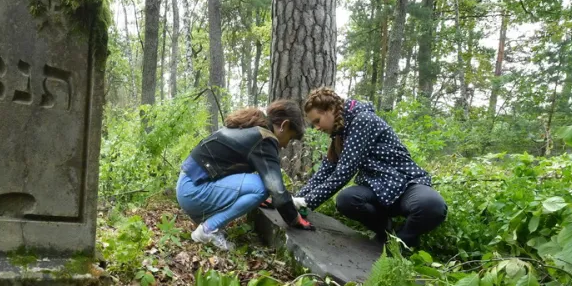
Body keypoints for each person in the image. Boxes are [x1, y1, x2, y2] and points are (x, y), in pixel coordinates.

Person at [294, 88, 447, 248]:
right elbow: (325, 171)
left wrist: (307, 202)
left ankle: (400, 243)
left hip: (406, 184)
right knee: (347, 199)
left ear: (330, 110)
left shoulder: (363, 120)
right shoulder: (341, 133)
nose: (317, 127)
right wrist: (296, 201)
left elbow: (344, 172)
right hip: (377, 189)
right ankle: (386, 232)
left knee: (432, 206)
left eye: (317, 121)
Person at [176, 100, 306, 250]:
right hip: (194, 192)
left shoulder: (250, 127)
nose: (285, 145)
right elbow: (275, 187)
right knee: (263, 187)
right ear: (284, 125)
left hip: (187, 186)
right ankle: (207, 230)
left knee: (262, 187)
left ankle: (209, 226)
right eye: (290, 138)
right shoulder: (265, 138)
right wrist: (295, 219)